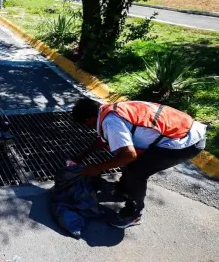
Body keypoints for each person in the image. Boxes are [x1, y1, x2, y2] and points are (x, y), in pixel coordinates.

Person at [71, 98, 206, 229]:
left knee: (136, 172)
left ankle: (134, 214)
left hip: (184, 142)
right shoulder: (111, 110)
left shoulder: (111, 122)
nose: (88, 127)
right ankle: (123, 190)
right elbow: (105, 139)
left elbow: (129, 155)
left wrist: (96, 168)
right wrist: (82, 156)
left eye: (85, 124)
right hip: (184, 128)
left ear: (88, 119)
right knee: (129, 161)